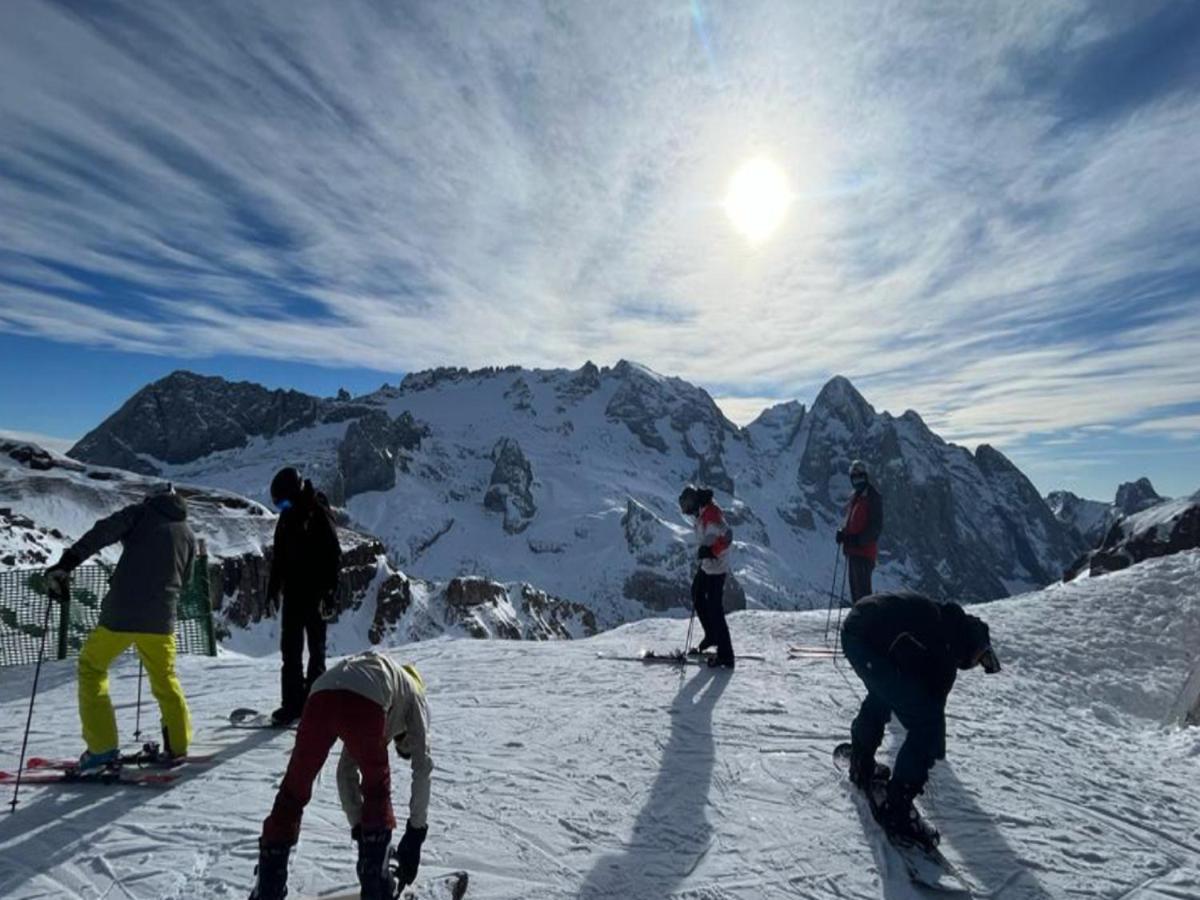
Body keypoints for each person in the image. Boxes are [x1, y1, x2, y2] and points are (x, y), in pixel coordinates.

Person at [249, 651, 433, 900]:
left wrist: (362, 831)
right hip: (364, 698)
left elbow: (345, 772)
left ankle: (268, 886)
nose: (397, 742)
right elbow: (422, 767)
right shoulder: (416, 695)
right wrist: (415, 834)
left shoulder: (384, 681)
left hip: (320, 692)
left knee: (293, 789)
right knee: (377, 788)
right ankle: (377, 885)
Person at [46, 484, 197, 769]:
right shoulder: (188, 533)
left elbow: (102, 533)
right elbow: (186, 582)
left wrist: (67, 563)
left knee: (92, 668)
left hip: (121, 614)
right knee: (165, 679)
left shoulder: (141, 513)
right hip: (161, 620)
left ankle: (102, 748)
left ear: (150, 498)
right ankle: (178, 745)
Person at [840, 592, 1000, 847]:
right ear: (966, 648)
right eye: (976, 657)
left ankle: (861, 761)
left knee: (885, 693)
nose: (974, 663)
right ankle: (898, 809)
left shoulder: (941, 620)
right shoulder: (945, 651)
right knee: (924, 724)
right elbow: (931, 719)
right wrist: (930, 752)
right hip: (865, 640)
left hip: (860, 628)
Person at [266, 467, 341, 726]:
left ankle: (315, 705)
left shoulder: (316, 511)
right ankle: (292, 704)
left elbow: (333, 553)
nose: (282, 507)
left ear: (295, 493)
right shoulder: (286, 517)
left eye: (284, 502)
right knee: (291, 651)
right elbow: (279, 557)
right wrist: (272, 590)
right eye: (279, 505)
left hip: (316, 593)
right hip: (294, 594)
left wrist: (331, 591)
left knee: (316, 651)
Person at [678, 485, 735, 669]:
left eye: (687, 506)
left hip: (717, 567)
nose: (686, 511)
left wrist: (711, 550)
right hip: (708, 565)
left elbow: (727, 536)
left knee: (715, 608)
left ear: (694, 501)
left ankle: (726, 656)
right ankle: (712, 635)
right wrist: (706, 550)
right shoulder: (703, 512)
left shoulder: (710, 514)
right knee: (697, 592)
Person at [836, 459, 883, 602]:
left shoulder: (872, 497)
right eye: (854, 478)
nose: (858, 481)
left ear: (866, 476)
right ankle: (861, 620)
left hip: (864, 553)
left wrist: (857, 540)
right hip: (853, 551)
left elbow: (875, 527)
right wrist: (843, 533)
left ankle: (867, 622)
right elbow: (851, 522)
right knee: (856, 594)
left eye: (860, 477)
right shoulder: (856, 497)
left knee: (863, 595)